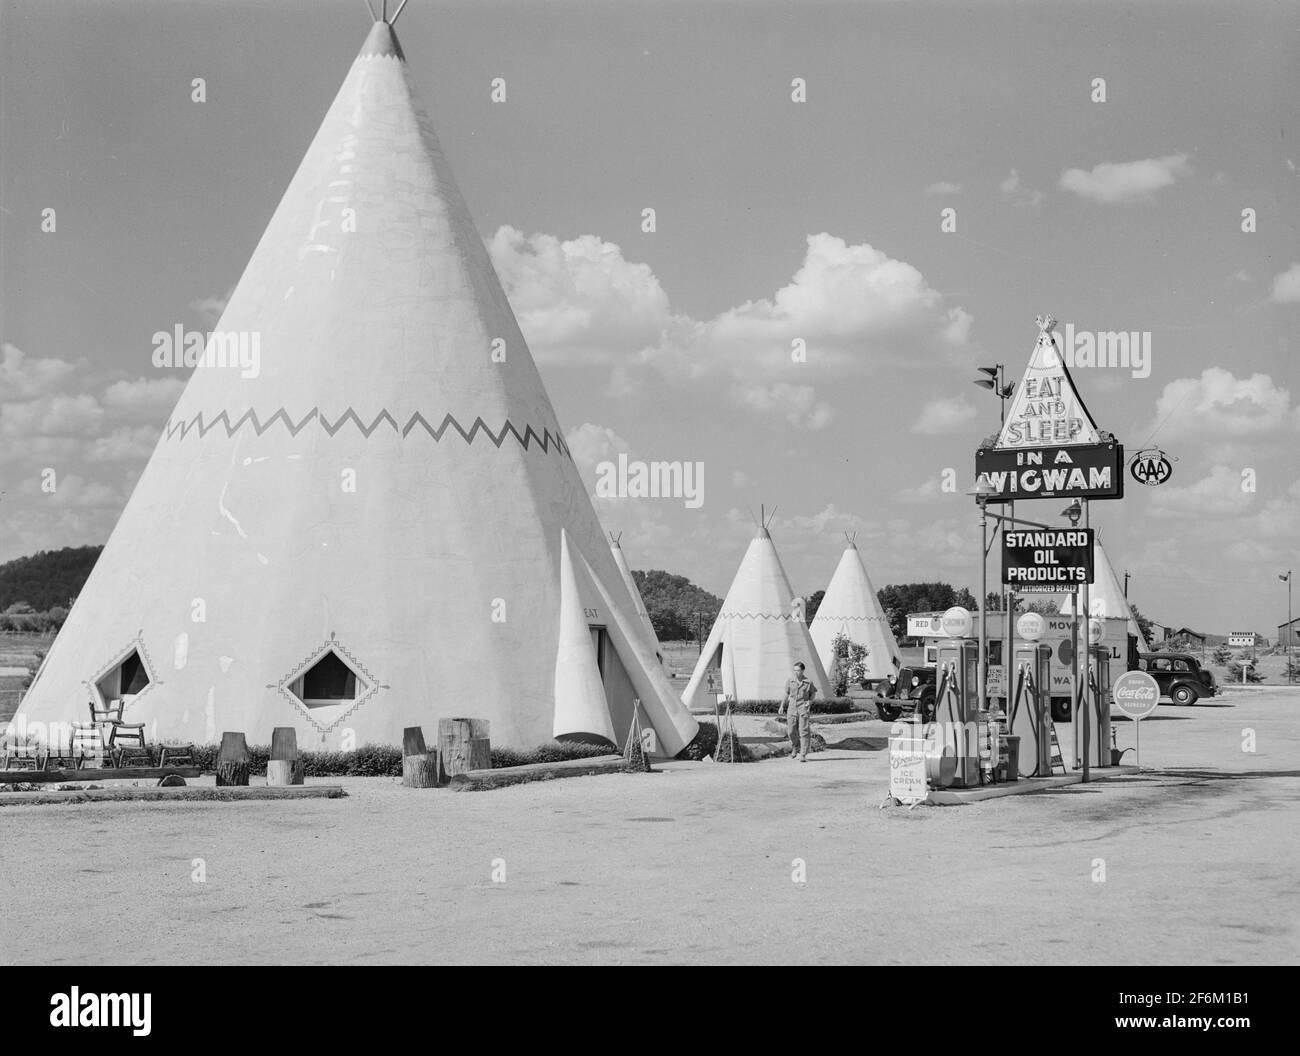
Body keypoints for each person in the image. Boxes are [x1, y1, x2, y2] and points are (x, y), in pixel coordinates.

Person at [779, 661, 816, 762]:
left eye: (798, 670)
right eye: (794, 670)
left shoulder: (808, 682)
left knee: (803, 731)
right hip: (792, 708)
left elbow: (813, 694)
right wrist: (782, 706)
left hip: (803, 708)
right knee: (790, 731)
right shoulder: (790, 681)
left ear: (803, 670)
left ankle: (803, 754)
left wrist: (810, 702)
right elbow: (786, 694)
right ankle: (795, 746)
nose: (796, 672)